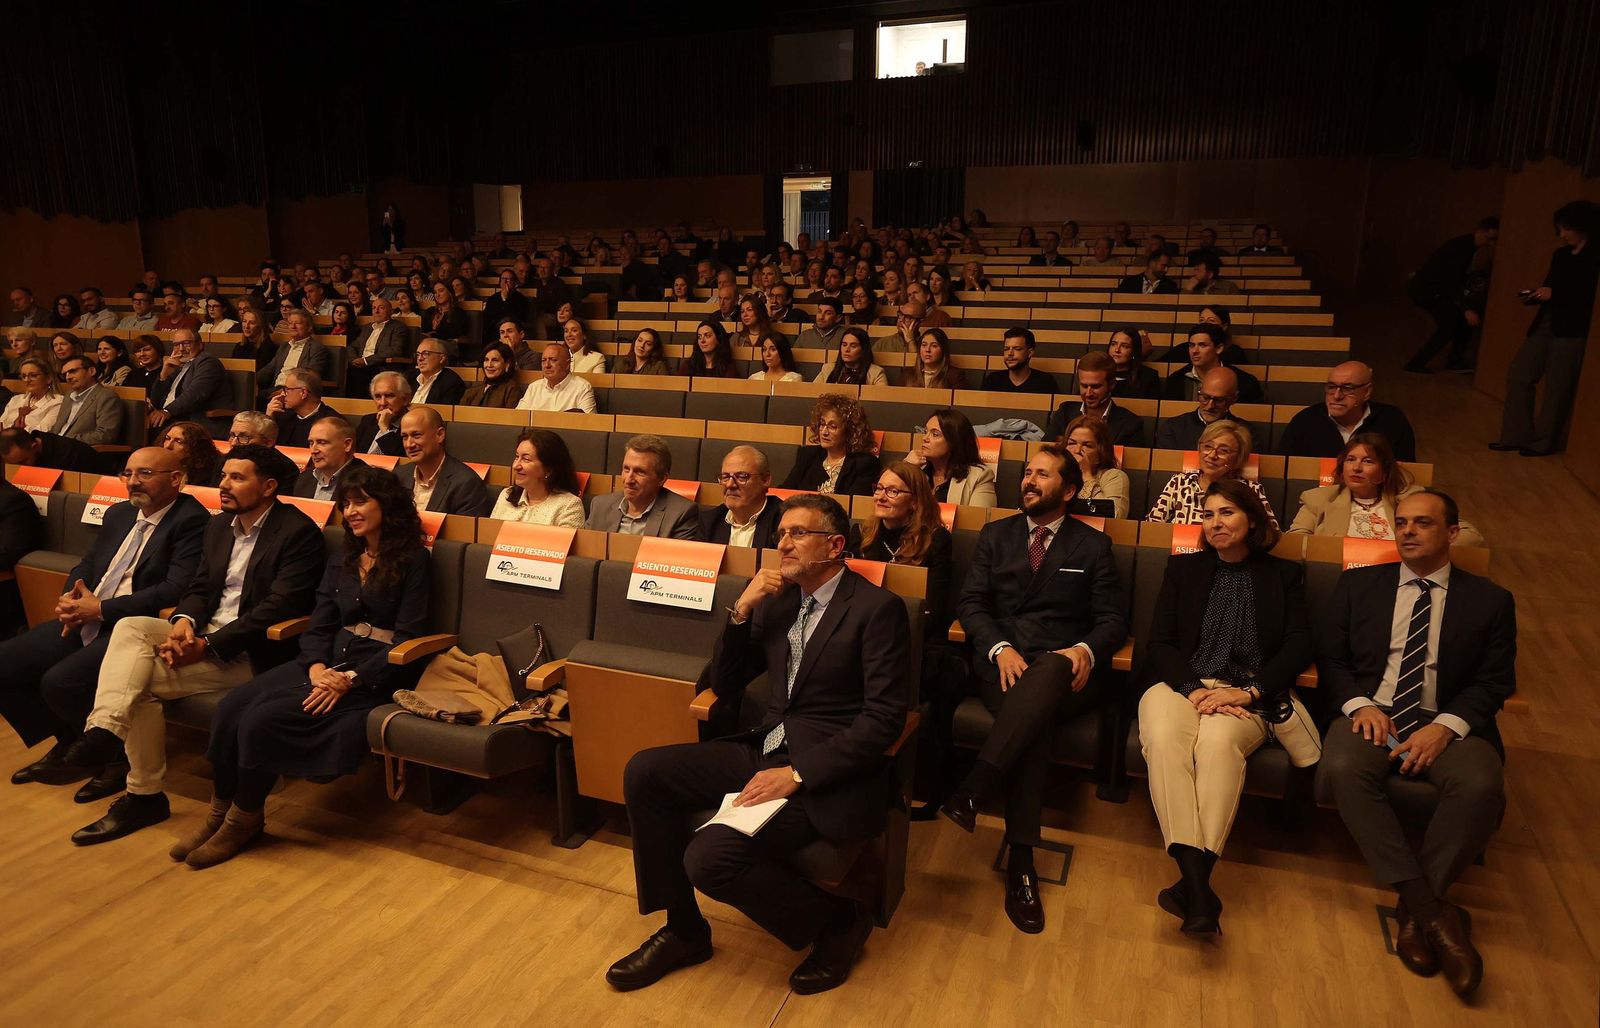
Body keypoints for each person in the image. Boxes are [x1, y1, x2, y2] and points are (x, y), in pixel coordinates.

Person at [606, 494, 908, 995]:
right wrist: (741, 611)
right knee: (645, 771)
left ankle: (838, 921)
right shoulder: (780, 601)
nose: (782, 543)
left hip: (823, 771)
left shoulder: (878, 610)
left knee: (708, 859)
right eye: (781, 533)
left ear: (835, 546)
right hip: (765, 746)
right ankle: (685, 930)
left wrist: (798, 774)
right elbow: (726, 684)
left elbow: (884, 719)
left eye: (797, 533)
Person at [60, 446, 325, 846]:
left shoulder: (297, 532)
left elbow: (276, 609)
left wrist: (208, 644)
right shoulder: (219, 526)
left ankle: (142, 794)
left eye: (238, 477)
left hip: (254, 652)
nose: (224, 485)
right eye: (224, 475)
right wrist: (183, 624)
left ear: (269, 486)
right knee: (131, 626)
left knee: (138, 685)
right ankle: (105, 732)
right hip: (205, 633)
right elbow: (200, 587)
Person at [178, 465, 431, 868]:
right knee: (230, 709)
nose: (351, 511)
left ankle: (244, 820)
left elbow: (408, 638)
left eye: (361, 502)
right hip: (324, 662)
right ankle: (218, 814)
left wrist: (350, 679)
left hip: (373, 674)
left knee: (260, 720)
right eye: (346, 503)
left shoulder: (414, 559)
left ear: (388, 505)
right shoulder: (344, 556)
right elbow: (320, 623)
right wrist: (314, 666)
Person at [1316, 490, 1515, 999]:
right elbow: (1332, 660)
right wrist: (1359, 705)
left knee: (1480, 785)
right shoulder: (1359, 584)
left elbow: (1494, 681)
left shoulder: (1490, 600)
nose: (1407, 531)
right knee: (1344, 768)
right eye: (1401, 522)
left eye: (1422, 523)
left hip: (1445, 718)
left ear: (1452, 533)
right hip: (1372, 712)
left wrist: (1445, 726)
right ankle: (1433, 913)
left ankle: (1416, 908)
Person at [940, 446, 1128, 933]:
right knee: (1033, 722)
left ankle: (976, 789)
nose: (1028, 481)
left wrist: (1084, 650)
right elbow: (971, 604)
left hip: (1065, 672)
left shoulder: (1092, 545)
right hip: (1003, 667)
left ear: (1068, 490)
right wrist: (999, 647)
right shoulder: (996, 534)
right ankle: (1021, 861)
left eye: (1042, 475)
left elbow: (1112, 620)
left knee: (1047, 676)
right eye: (1027, 472)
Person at [1136, 479, 1312, 938]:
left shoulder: (1283, 575)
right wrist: (1195, 691)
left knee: (1216, 747)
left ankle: (1194, 886)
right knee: (1163, 740)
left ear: (1251, 520)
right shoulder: (1184, 569)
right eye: (1208, 514)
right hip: (1180, 685)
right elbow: (1160, 643)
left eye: (1227, 513)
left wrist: (1250, 692)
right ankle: (1199, 889)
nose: (1215, 523)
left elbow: (1298, 646)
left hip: (1244, 693)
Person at [0, 447, 207, 794]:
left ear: (176, 479)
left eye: (145, 474)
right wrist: (71, 598)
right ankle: (69, 741)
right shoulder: (119, 513)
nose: (133, 481)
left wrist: (101, 610)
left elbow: (175, 588)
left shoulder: (192, 521)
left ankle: (117, 760)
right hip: (89, 615)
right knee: (5, 664)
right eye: (128, 473)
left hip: (134, 626)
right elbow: (88, 563)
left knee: (60, 682)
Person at [1492, 200, 1600, 456]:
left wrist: (1555, 294)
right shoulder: (1560, 255)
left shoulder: (1595, 256)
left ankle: (1543, 442)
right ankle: (1516, 435)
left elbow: (1589, 297)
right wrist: (1536, 295)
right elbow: (1550, 285)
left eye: (1566, 228)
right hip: (1547, 322)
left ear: (1583, 226)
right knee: (1519, 374)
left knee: (1557, 387)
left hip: (1574, 329)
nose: (1562, 234)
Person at [1289, 433, 1483, 544]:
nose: (1356, 468)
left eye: (1368, 461)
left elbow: (1470, 536)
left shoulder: (1411, 499)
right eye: (1350, 460)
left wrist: (1422, 549)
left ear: (1384, 471)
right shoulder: (1319, 499)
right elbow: (1295, 543)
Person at [860, 461, 953, 637]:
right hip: (863, 628)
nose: (880, 497)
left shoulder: (936, 539)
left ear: (915, 501)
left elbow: (933, 609)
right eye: (879, 488)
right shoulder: (861, 534)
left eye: (892, 491)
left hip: (912, 631)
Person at [1404, 217, 1499, 374]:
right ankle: (1418, 363)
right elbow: (1451, 280)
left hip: (1430, 289)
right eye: (1489, 238)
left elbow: (1452, 278)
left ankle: (1452, 361)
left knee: (1457, 323)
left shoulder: (1465, 246)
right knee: (1450, 325)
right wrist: (1466, 309)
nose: (1491, 243)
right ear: (1480, 231)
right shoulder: (1461, 248)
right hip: (1427, 291)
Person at [1147, 420, 1278, 528]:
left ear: (1238, 457)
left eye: (1223, 450)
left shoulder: (1251, 490)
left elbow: (1270, 535)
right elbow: (1152, 528)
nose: (1212, 455)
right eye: (1208, 447)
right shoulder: (1180, 482)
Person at [1278, 361, 1417, 462]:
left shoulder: (1392, 419)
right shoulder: (1305, 421)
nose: (1337, 396)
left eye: (1348, 388)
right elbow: (1286, 469)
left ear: (1367, 392)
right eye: (1331, 387)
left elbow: (1404, 472)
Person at [584, 434, 700, 538]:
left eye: (640, 472)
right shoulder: (600, 506)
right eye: (626, 469)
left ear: (661, 479)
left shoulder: (681, 513)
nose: (629, 479)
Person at [394, 407, 491, 516]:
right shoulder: (399, 475)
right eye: (404, 437)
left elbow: (464, 527)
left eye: (416, 435)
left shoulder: (466, 484)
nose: (409, 444)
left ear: (440, 435)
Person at [783, 394, 880, 497]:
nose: (824, 432)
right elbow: (784, 492)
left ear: (850, 431)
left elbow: (855, 503)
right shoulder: (808, 455)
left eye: (832, 426)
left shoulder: (865, 464)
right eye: (822, 424)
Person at [1045, 350, 1146, 445]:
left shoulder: (1131, 424)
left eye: (1095, 386)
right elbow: (1047, 450)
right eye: (1084, 386)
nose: (1088, 393)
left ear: (1111, 384)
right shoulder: (1065, 412)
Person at [489, 428, 586, 527]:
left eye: (526, 459)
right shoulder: (506, 494)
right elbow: (489, 534)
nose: (516, 466)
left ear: (548, 470)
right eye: (517, 457)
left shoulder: (569, 506)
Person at [906, 408, 996, 507]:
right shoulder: (917, 470)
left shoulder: (979, 477)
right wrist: (906, 468)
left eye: (935, 434)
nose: (925, 438)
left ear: (954, 441)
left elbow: (977, 516)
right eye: (925, 431)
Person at [698, 445, 782, 548]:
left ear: (765, 480)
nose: (730, 484)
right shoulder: (710, 522)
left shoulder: (784, 520)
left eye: (741, 477)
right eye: (725, 477)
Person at [1164, 326, 1262, 403]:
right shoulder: (1175, 380)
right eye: (1192, 345)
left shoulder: (1244, 382)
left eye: (1202, 345)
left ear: (1219, 348)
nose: (1194, 351)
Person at [1062, 415, 1131, 518]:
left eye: (1087, 445)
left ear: (1100, 453)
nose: (1077, 450)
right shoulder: (1055, 473)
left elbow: (1115, 517)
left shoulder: (1114, 477)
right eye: (1072, 443)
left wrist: (1086, 475)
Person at [49, 353, 123, 446]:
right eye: (65, 374)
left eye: (73, 371)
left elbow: (105, 436)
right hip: (57, 445)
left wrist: (66, 440)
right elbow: (57, 428)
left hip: (77, 448)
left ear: (91, 371)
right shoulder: (68, 395)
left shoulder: (106, 396)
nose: (68, 377)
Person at [258, 310, 331, 402]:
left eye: (298, 323)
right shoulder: (285, 346)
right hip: (275, 389)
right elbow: (268, 370)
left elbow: (310, 378)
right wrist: (252, 381)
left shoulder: (316, 348)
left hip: (295, 391)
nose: (293, 327)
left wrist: (287, 390)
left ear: (309, 327)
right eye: (290, 323)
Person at [346, 295, 411, 397]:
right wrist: (354, 359)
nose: (376, 311)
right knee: (346, 371)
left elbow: (396, 350)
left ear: (390, 311)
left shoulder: (398, 327)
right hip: (360, 365)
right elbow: (351, 347)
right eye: (374, 308)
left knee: (357, 375)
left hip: (380, 366)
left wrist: (366, 361)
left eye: (381, 308)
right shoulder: (367, 328)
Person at [292, 417, 365, 501]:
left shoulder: (365, 481)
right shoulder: (304, 478)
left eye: (322, 443)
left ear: (347, 444)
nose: (313, 451)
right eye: (311, 443)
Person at [265, 369, 341, 449]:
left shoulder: (332, 424)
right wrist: (269, 419)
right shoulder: (281, 415)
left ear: (303, 393)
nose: (282, 394)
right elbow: (266, 449)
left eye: (287, 389)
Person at [518, 343, 598, 414]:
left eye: (553, 360)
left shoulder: (582, 388)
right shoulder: (534, 387)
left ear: (567, 364)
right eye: (543, 360)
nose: (547, 365)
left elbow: (589, 422)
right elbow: (518, 417)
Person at [980, 327, 1059, 394]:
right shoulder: (993, 380)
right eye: (1006, 349)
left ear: (1030, 352)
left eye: (1017, 349)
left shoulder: (1045, 382)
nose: (1010, 353)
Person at [354, 371, 411, 457]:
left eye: (389, 396)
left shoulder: (414, 424)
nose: (382, 403)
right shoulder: (368, 421)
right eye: (378, 397)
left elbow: (401, 459)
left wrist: (384, 428)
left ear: (405, 399)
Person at [460, 343, 527, 409]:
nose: (489, 365)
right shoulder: (473, 389)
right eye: (486, 360)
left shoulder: (511, 389)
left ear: (507, 364)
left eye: (495, 360)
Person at [3, 357, 62, 431]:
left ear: (48, 378)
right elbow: (1, 424)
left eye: (33, 376)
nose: (27, 380)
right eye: (24, 376)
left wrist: (12, 429)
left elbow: (42, 431)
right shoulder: (15, 399)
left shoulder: (57, 402)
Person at [156, 421, 221, 487]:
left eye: (179, 441)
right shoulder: (156, 468)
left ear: (195, 448)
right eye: (167, 438)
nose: (168, 446)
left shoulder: (206, 480)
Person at [815, 327, 888, 386]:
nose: (847, 350)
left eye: (853, 346)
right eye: (844, 345)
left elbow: (880, 398)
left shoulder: (876, 373)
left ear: (863, 350)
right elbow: (812, 392)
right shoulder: (827, 369)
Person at [898, 328, 965, 388]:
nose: (927, 350)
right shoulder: (907, 374)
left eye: (934, 346)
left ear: (943, 350)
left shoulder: (954, 376)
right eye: (924, 345)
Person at [1107, 326, 1162, 399]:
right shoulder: (1097, 373)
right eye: (1113, 344)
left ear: (1134, 351)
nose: (1117, 350)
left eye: (1124, 346)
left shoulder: (1149, 377)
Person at [482, 268, 531, 345]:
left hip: (512, 331)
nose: (505, 282)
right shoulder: (492, 299)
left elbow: (517, 318)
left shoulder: (521, 299)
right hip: (494, 332)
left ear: (514, 282)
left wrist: (505, 299)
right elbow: (488, 318)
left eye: (508, 279)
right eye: (503, 279)